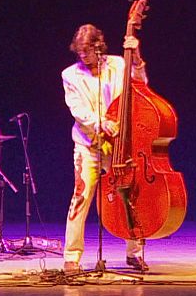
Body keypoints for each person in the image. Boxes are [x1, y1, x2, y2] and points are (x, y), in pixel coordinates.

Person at [61, 23, 149, 274]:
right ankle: (71, 257)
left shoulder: (119, 64)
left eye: (87, 51)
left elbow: (141, 87)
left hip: (119, 146)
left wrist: (138, 57)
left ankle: (134, 253)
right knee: (81, 195)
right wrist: (101, 124)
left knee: (127, 196)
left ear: (99, 47)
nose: (83, 56)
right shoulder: (70, 75)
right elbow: (79, 111)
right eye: (79, 52)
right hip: (88, 144)